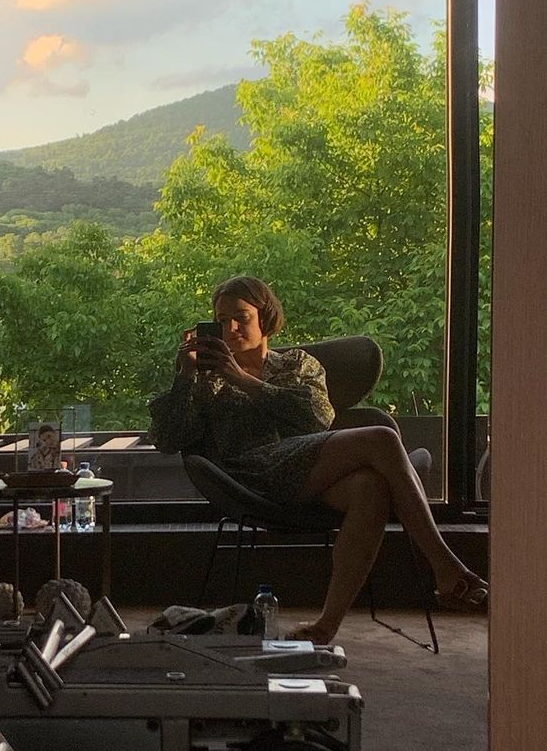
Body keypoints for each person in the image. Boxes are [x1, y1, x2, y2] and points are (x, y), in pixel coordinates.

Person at [151, 274, 488, 643]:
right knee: (382, 438)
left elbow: (318, 419)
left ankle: (326, 625)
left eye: (241, 317)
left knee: (371, 486)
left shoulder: (297, 365)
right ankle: (445, 567)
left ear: (265, 318)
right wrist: (185, 375)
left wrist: (245, 380)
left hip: (308, 471)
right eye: (222, 319)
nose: (231, 327)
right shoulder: (206, 379)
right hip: (248, 478)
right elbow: (168, 439)